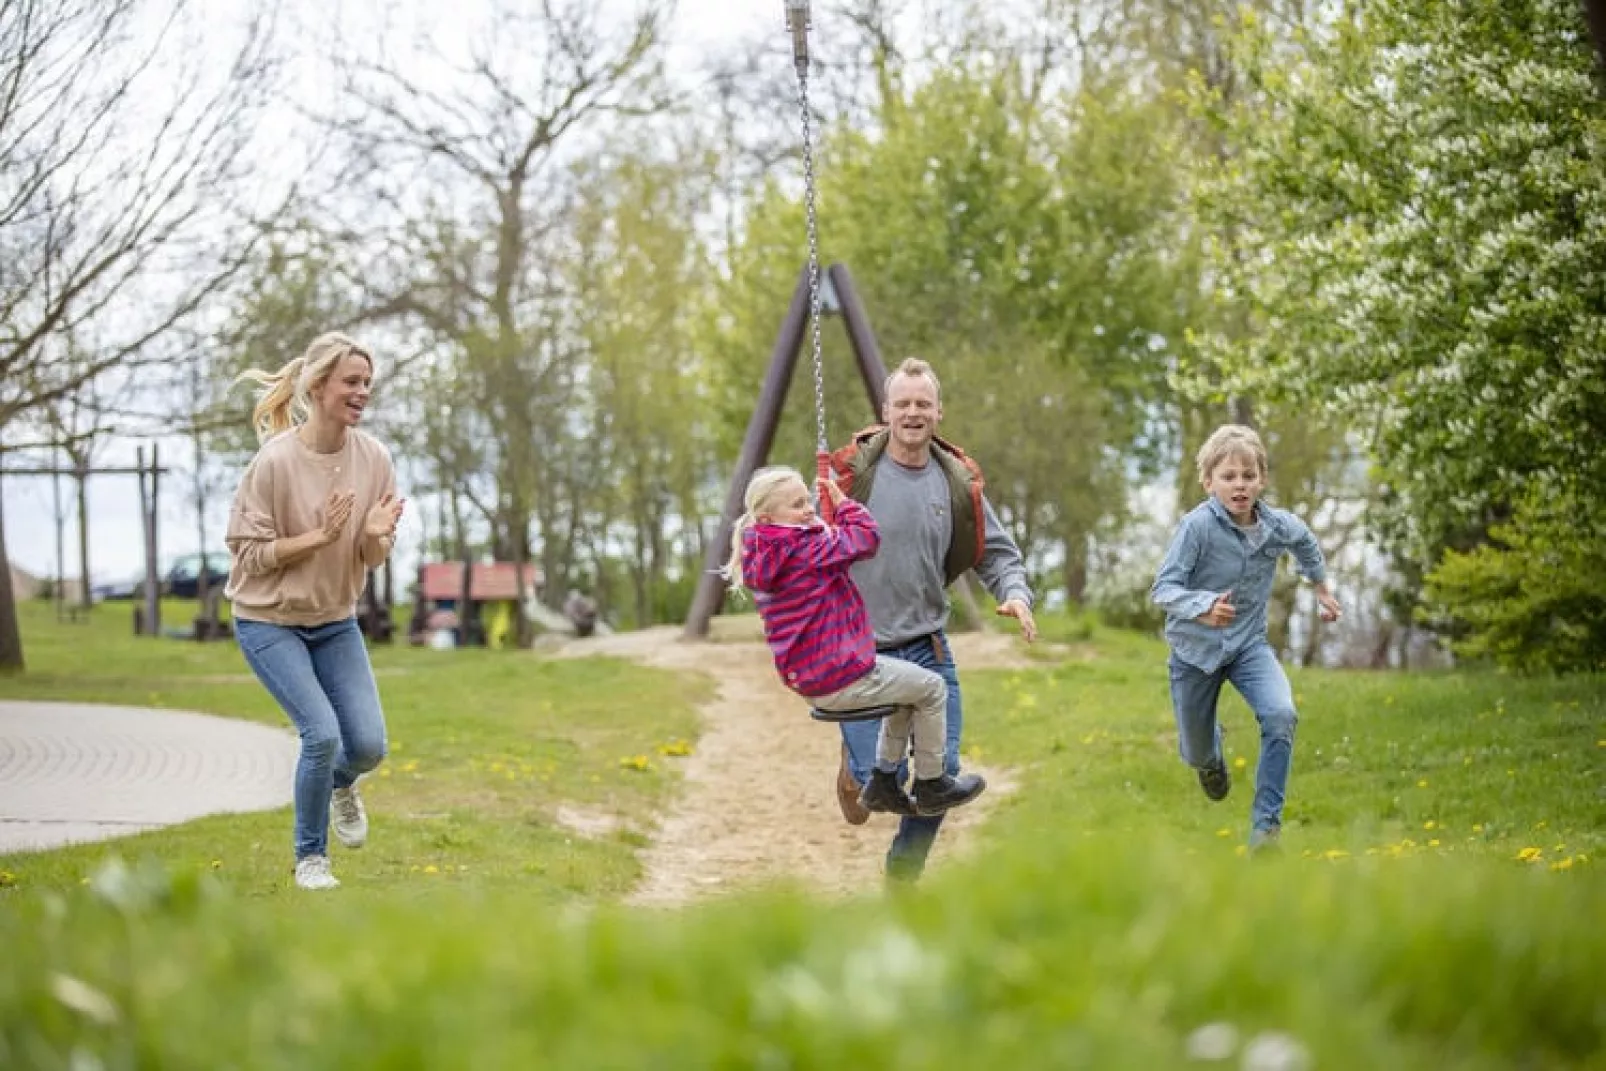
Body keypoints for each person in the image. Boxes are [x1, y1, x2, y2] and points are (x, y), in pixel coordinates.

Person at [828, 357, 1036, 883]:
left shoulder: (953, 481)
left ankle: (903, 878)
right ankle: (852, 776)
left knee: (938, 776)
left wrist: (1014, 593)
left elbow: (998, 552)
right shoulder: (853, 477)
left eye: (923, 404)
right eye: (904, 403)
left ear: (939, 412)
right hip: (857, 651)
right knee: (876, 780)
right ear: (885, 411)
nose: (913, 412)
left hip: (926, 645)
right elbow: (804, 540)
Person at [224, 332, 406, 890]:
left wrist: (374, 537)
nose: (362, 393)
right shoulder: (274, 462)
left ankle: (338, 785)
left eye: (367, 384)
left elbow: (369, 555)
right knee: (321, 735)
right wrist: (317, 536)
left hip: (334, 619)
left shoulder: (373, 458)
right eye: (351, 382)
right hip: (268, 619)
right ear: (319, 386)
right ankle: (311, 859)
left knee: (369, 746)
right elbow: (247, 554)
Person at [727, 466, 987, 816]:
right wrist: (843, 503)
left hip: (814, 676)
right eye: (797, 504)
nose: (808, 509)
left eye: (807, 500)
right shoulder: (803, 549)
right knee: (934, 688)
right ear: (767, 516)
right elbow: (866, 538)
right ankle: (932, 784)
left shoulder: (766, 551)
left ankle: (883, 783)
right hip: (841, 673)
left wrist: (820, 525)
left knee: (909, 691)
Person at [1149, 423, 1342, 852]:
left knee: (1281, 715)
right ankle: (1210, 760)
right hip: (1194, 653)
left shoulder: (1277, 526)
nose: (1240, 485)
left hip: (1247, 647)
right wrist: (1204, 607)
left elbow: (1306, 543)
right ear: (1208, 482)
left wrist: (1322, 587)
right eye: (1229, 476)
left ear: (1262, 479)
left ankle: (1266, 830)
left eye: (1248, 476)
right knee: (1197, 752)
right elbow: (1163, 589)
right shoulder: (1196, 529)